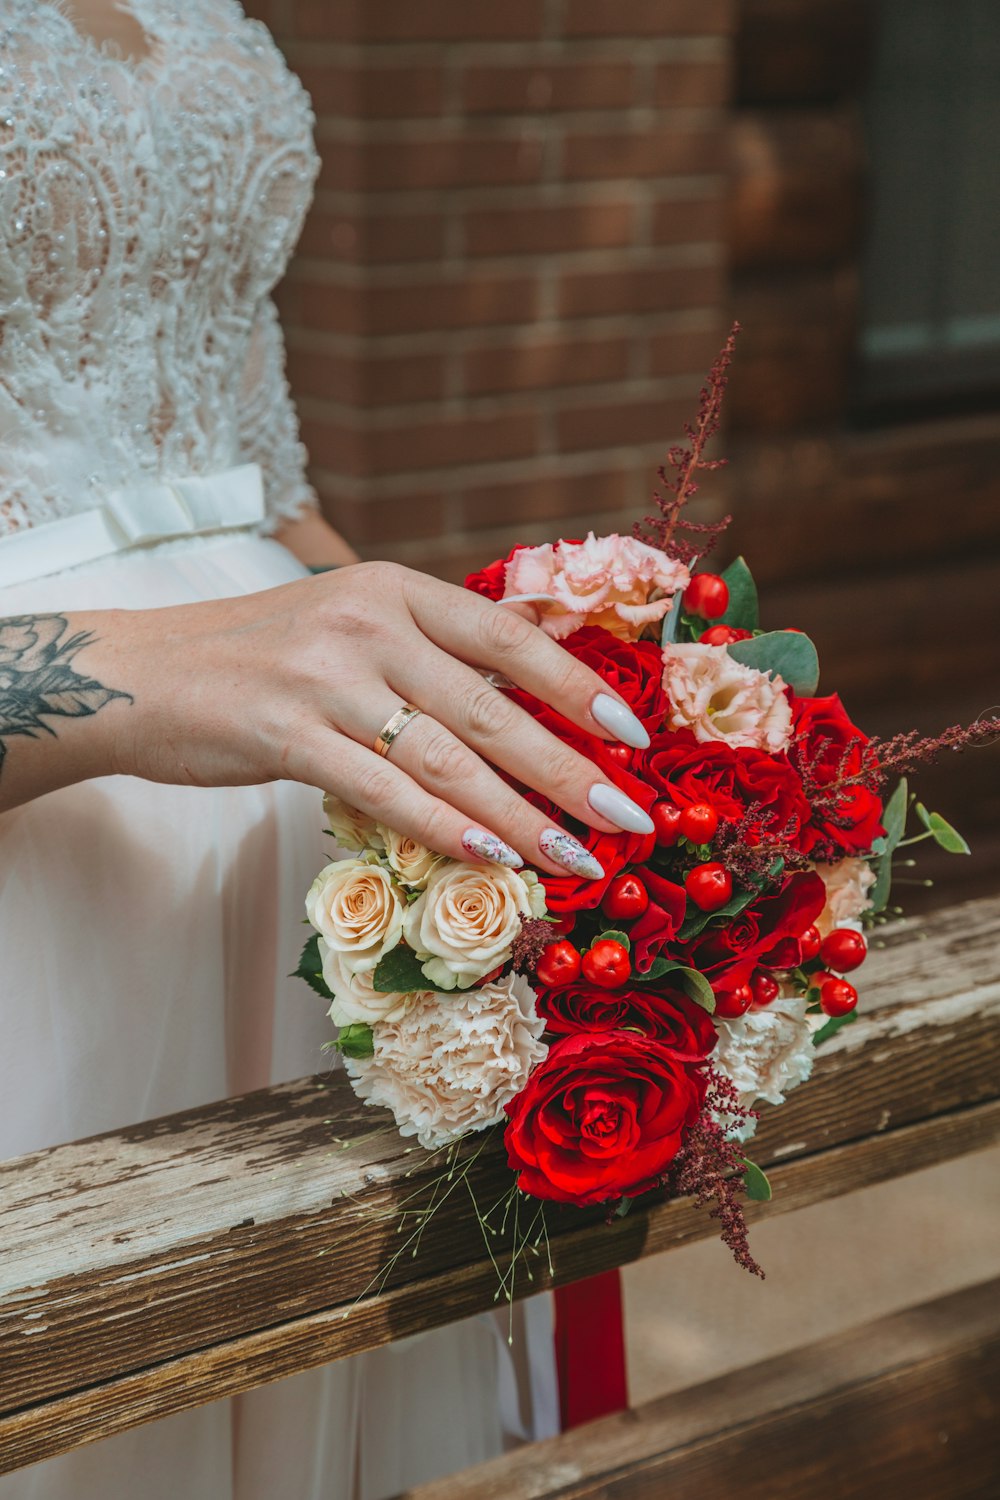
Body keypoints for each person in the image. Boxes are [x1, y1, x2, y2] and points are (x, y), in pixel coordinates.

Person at [0, 4, 651, 1496]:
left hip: (296, 820)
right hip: (50, 852)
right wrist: (143, 677)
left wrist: (498, 711)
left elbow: (246, 476)